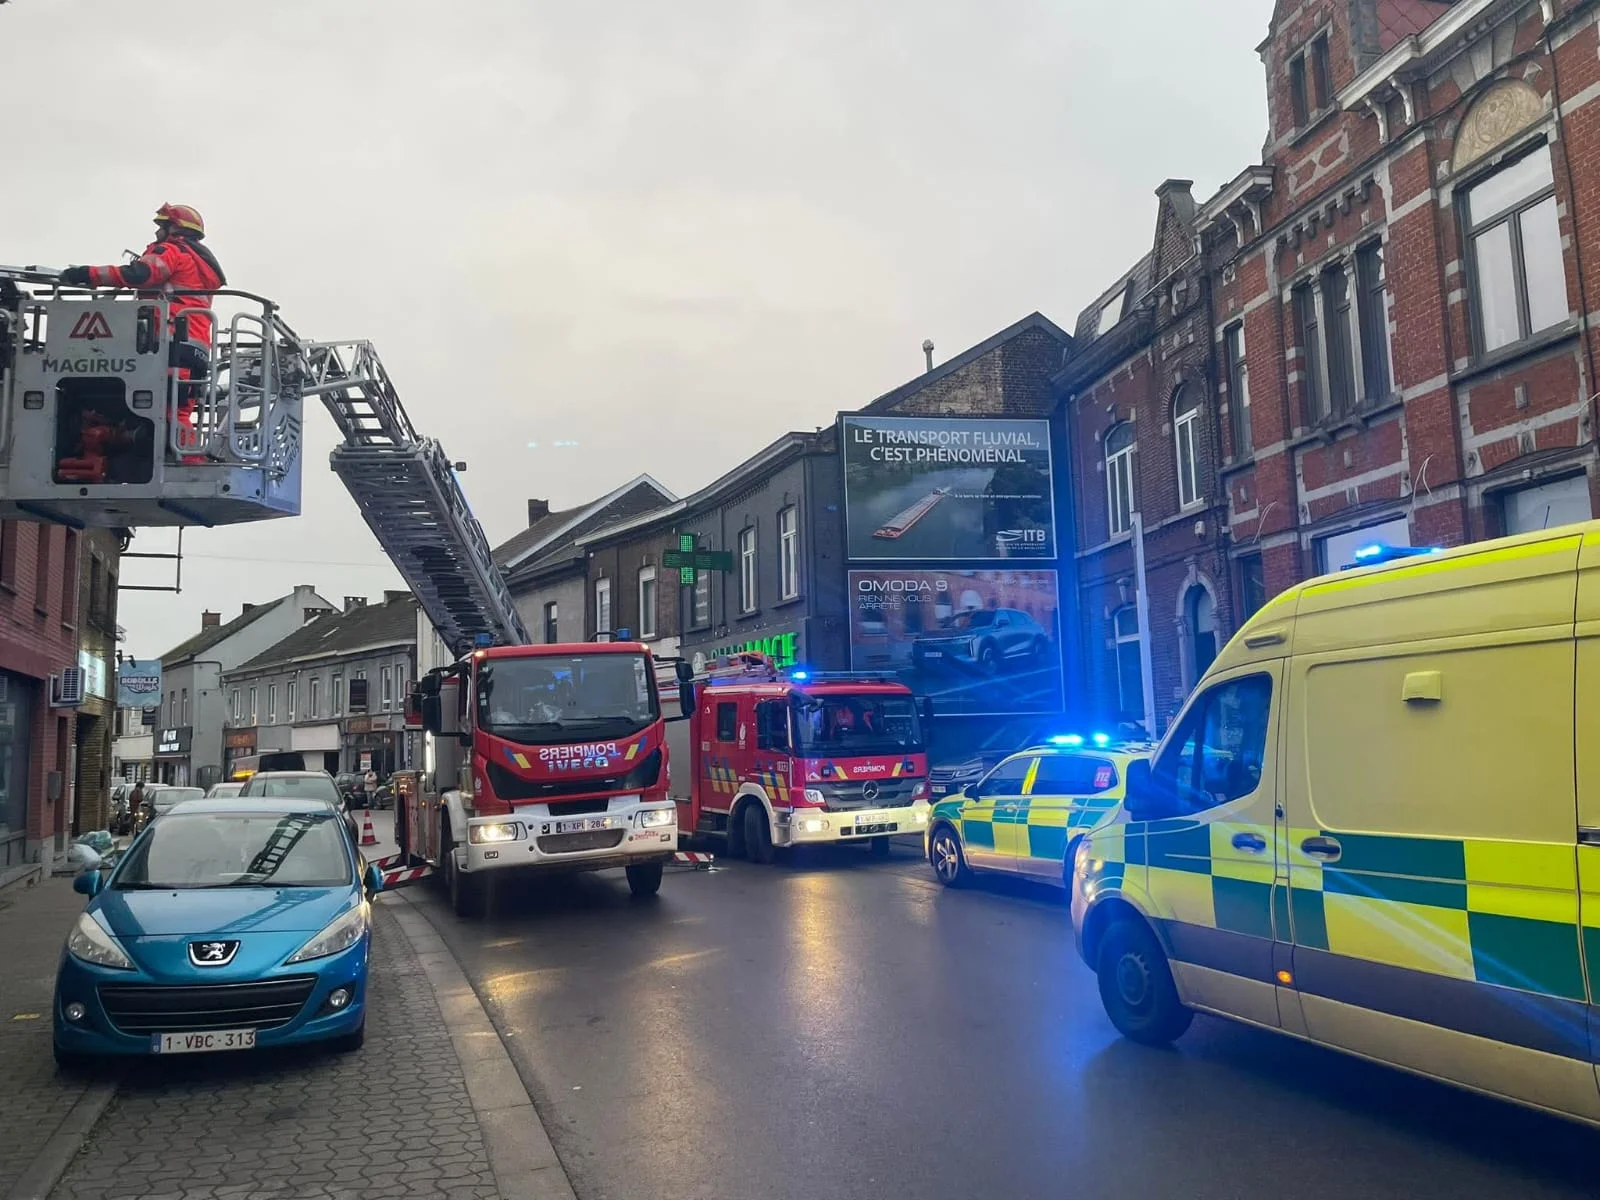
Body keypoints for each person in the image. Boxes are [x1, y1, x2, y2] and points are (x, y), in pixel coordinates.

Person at [58, 205, 226, 461]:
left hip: (171, 341)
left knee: (170, 411)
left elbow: (141, 274)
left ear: (175, 229)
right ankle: (186, 460)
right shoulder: (200, 263)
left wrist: (86, 274)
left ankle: (192, 464)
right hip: (194, 346)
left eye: (162, 226)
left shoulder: (172, 250)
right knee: (177, 408)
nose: (158, 231)